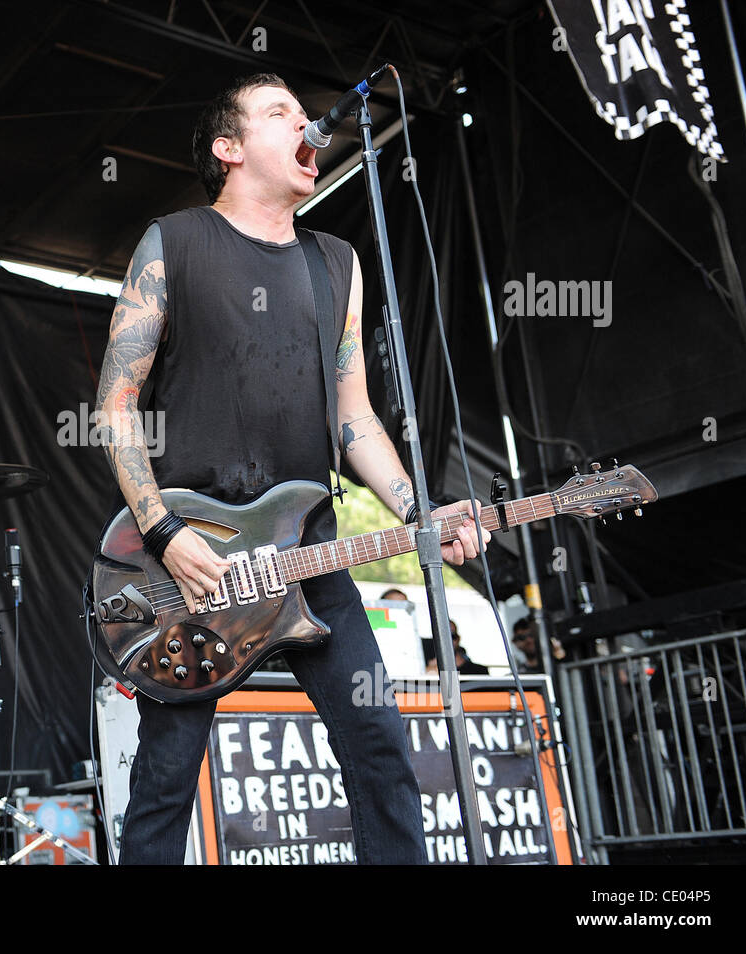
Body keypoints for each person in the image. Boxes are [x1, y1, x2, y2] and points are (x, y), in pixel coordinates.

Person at [95, 73, 489, 864]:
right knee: (167, 779)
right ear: (229, 148)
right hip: (198, 561)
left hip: (308, 552)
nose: (308, 126)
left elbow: (355, 418)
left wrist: (421, 510)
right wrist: (163, 530)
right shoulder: (174, 241)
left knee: (381, 750)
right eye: (282, 114)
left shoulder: (334, 262)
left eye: (307, 116)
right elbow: (114, 402)